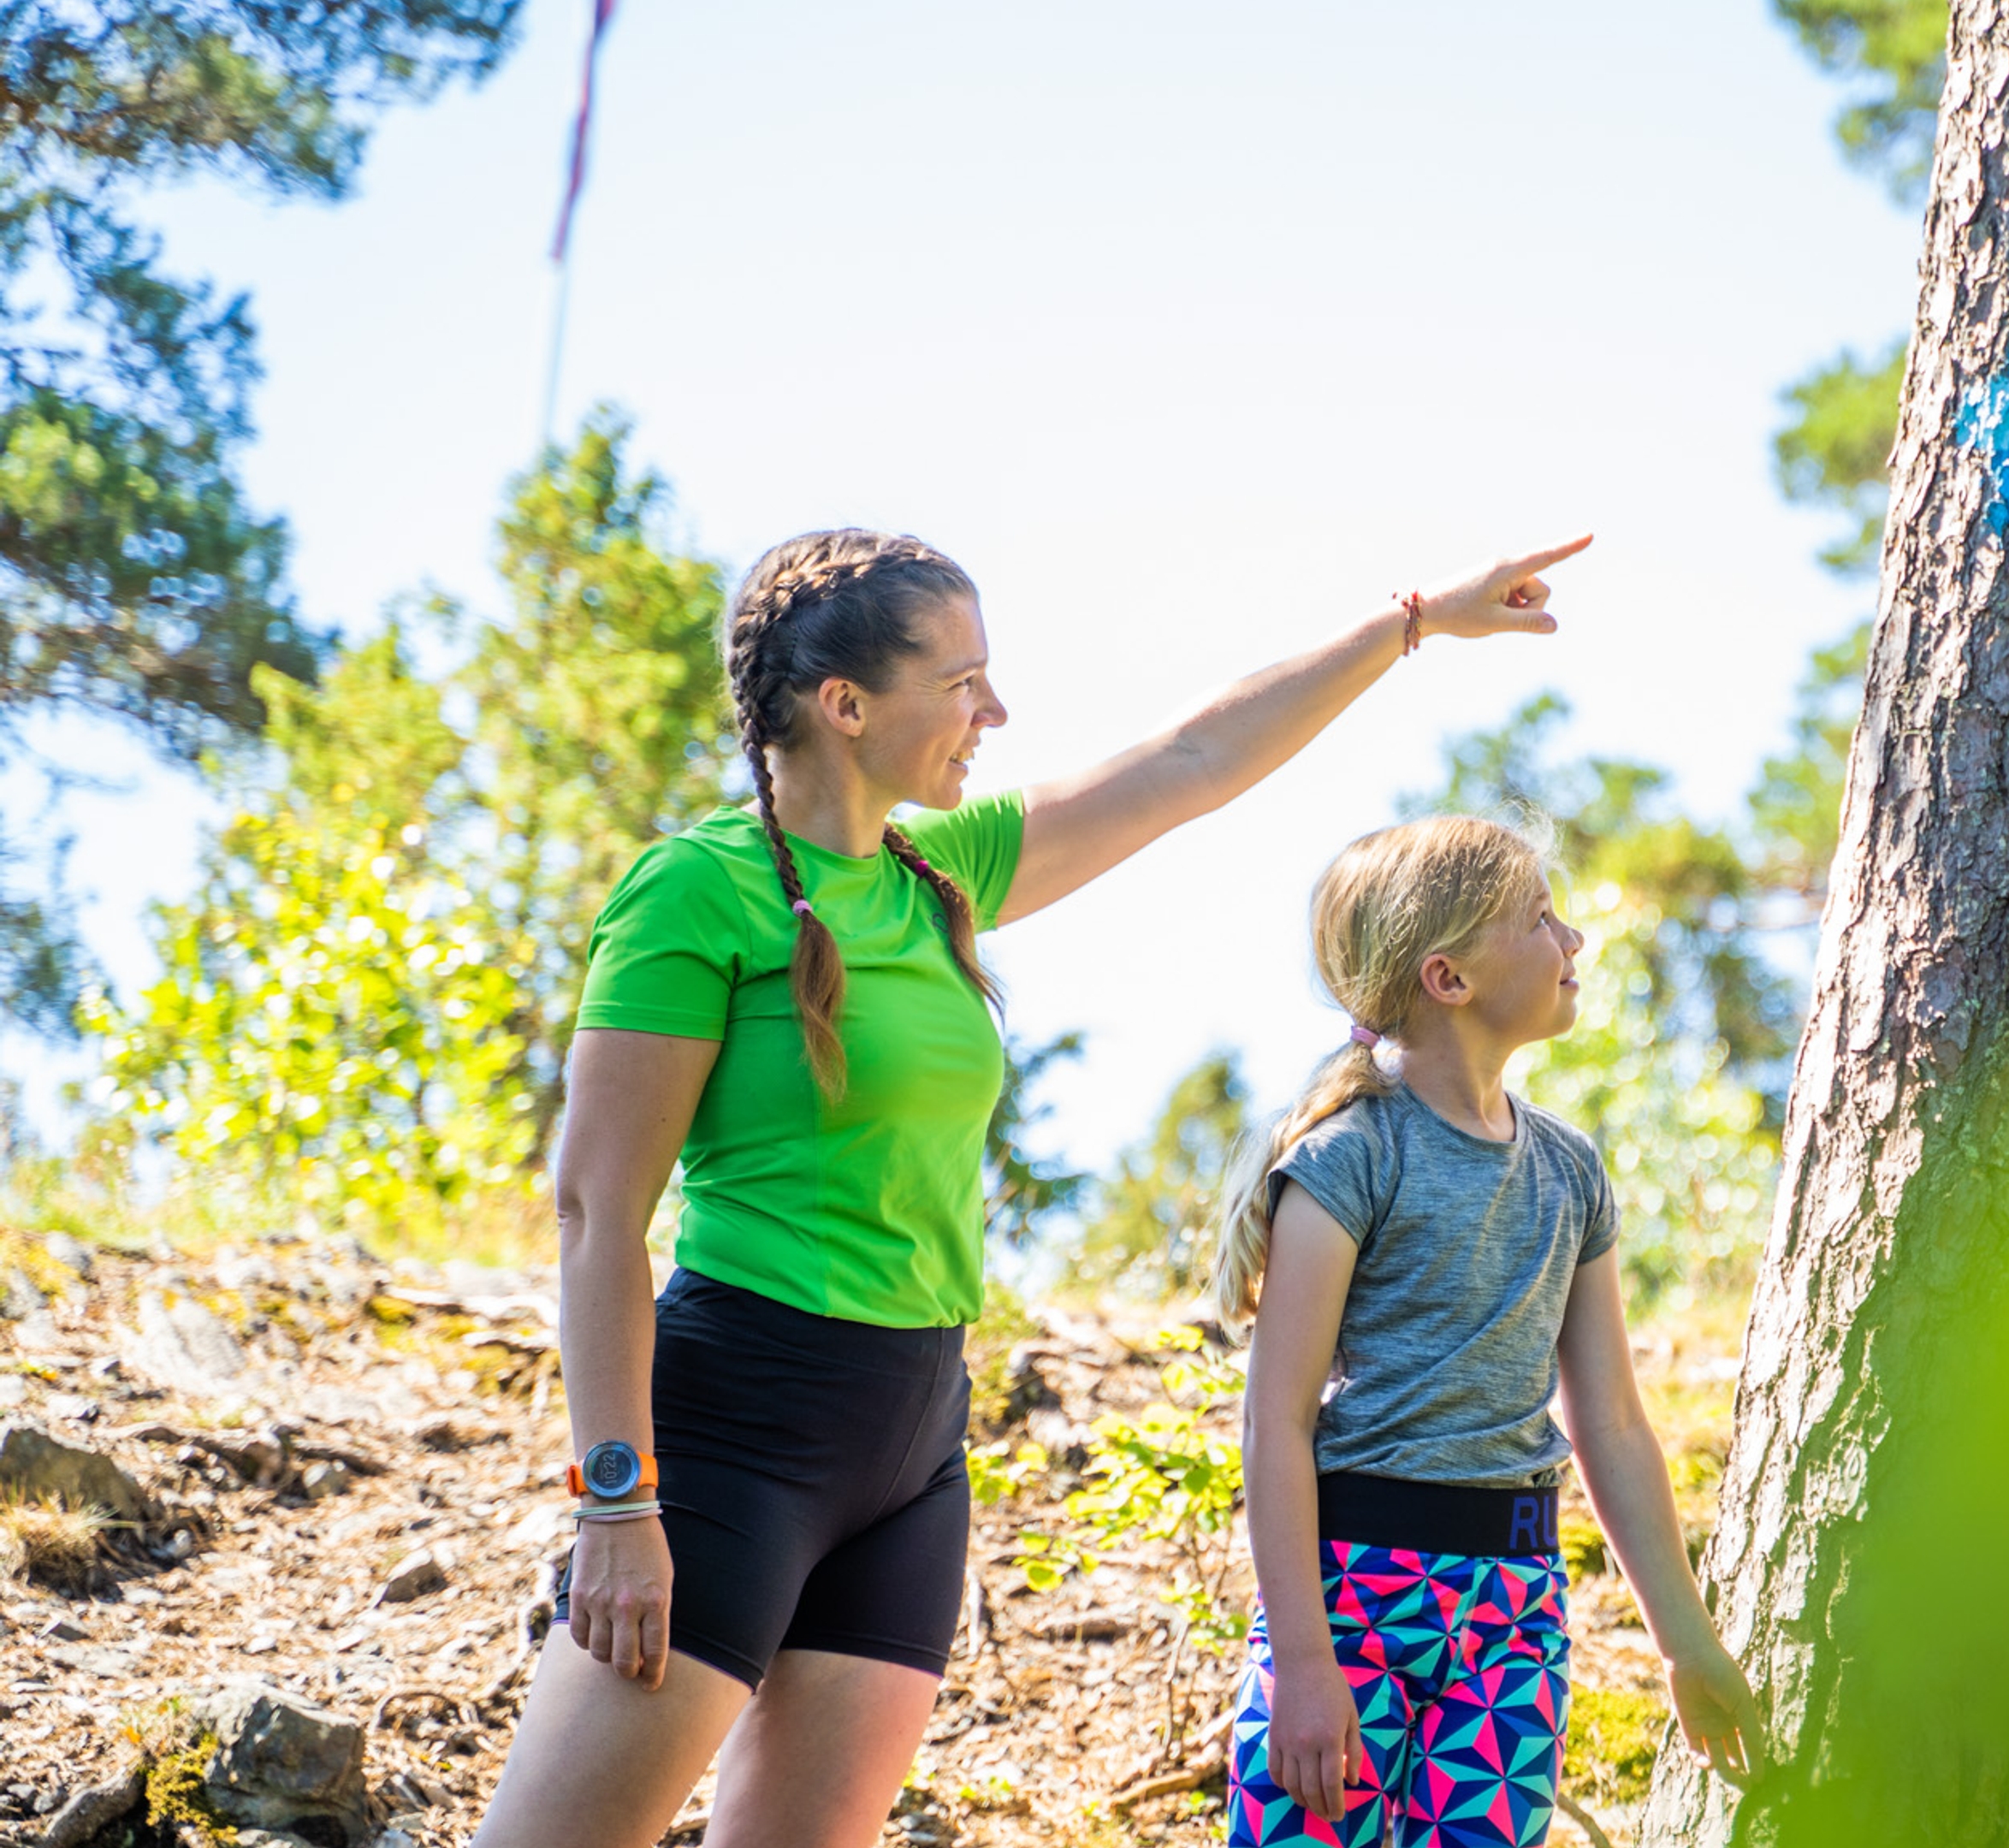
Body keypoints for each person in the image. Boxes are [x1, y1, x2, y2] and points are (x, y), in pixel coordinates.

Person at [471, 527, 1590, 1848]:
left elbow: (1190, 761)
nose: (993, 711)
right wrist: (617, 1495)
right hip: (739, 1429)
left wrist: (1410, 622)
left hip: (910, 1448)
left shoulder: (941, 877)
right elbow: (596, 1212)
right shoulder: (694, 893)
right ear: (845, 706)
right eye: (961, 683)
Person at [1213, 815, 1768, 1847]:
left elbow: (1612, 1423)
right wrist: (1302, 1662)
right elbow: (1275, 1422)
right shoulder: (1349, 1159)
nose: (1573, 940)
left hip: (1515, 1610)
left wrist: (1684, 1641)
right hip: (1352, 1598)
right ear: (1449, 978)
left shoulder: (1570, 1170)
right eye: (1541, 919)